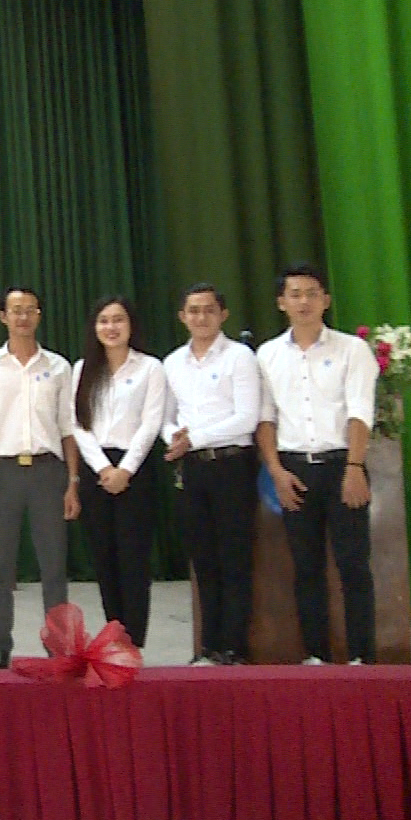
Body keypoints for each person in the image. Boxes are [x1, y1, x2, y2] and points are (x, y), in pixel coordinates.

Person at [256, 262, 379, 664]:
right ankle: (316, 656)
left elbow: (359, 412)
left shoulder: (352, 349)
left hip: (343, 465)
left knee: (353, 565)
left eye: (312, 293)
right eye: (295, 294)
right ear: (281, 302)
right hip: (293, 471)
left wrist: (355, 468)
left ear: (326, 300)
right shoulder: (268, 354)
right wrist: (276, 472)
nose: (303, 302)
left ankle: (361, 656)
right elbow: (266, 419)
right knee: (305, 567)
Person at [0, 287, 80, 670]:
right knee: (0, 567)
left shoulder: (59, 367)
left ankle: (58, 647)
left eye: (30, 310)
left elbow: (68, 428)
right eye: (15, 310)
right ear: (3, 316)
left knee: (53, 566)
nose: (22, 317)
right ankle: (0, 646)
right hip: (1, 472)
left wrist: (73, 482)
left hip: (48, 472)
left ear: (39, 315)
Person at [162, 282, 262, 665]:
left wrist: (194, 438)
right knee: (203, 560)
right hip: (191, 469)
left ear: (223, 315)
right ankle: (208, 646)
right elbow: (166, 417)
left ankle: (235, 647)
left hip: (232, 465)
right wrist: (174, 437)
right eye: (193, 310)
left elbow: (247, 417)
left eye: (208, 310)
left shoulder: (239, 357)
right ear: (182, 317)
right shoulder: (172, 362)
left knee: (235, 558)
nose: (201, 317)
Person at [68, 297, 168, 649]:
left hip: (135, 470)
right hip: (97, 469)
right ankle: (113, 636)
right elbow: (78, 424)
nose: (111, 327)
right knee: (104, 557)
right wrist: (103, 467)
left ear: (131, 325)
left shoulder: (150, 368)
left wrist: (125, 469)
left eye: (118, 320)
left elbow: (151, 423)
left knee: (133, 557)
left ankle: (133, 640)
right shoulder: (83, 369)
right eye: (103, 320)